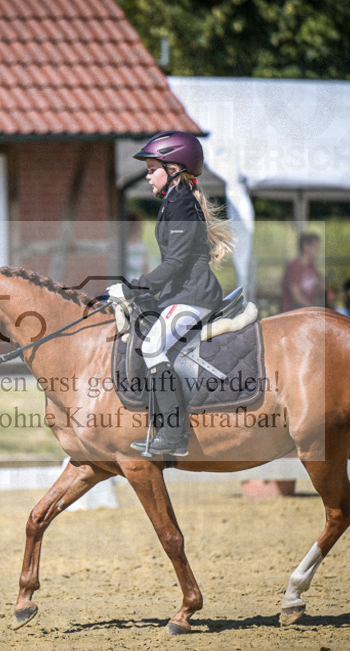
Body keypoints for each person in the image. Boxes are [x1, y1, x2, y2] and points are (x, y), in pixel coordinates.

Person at [107, 130, 234, 457]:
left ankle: (174, 433)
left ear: (174, 168)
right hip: (181, 292)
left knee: (152, 346)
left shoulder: (181, 204)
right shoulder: (174, 201)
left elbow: (176, 262)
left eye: (152, 169)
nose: (147, 175)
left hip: (195, 295)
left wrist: (135, 288)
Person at [280, 232, 333, 312]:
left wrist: (328, 291)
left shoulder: (312, 266)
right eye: (315, 248)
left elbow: (319, 285)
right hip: (294, 310)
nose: (318, 251)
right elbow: (296, 296)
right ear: (306, 247)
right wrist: (312, 308)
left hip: (307, 308)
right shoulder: (295, 266)